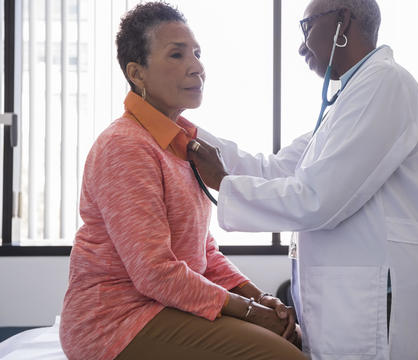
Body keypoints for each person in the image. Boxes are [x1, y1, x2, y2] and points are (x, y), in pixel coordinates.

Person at [187, 0, 418, 359]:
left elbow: (319, 198)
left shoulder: (385, 84)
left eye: (307, 27)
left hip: (379, 295)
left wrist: (223, 182)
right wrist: (186, 132)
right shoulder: (349, 100)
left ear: (342, 21)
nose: (300, 46)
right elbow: (275, 169)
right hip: (353, 295)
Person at [59, 3, 305, 360]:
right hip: (114, 321)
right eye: (177, 54)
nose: (197, 67)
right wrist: (252, 313)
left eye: (198, 54)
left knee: (292, 339)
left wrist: (259, 297)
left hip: (164, 306)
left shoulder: (182, 144)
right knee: (283, 356)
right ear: (137, 73)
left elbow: (201, 251)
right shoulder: (125, 146)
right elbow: (155, 273)